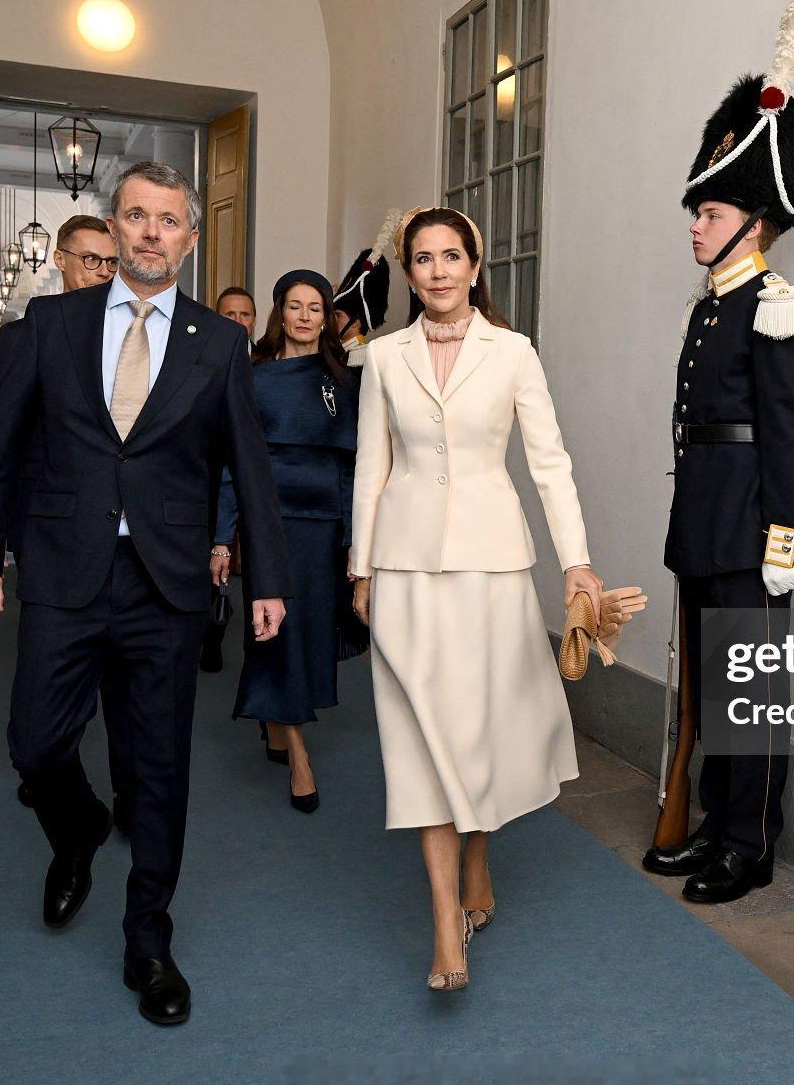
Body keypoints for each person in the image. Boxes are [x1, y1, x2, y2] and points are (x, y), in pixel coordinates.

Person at [0, 160, 290, 1028]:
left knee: (160, 767)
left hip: (166, 581)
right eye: (136, 216)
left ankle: (149, 941)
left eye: (168, 220)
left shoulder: (218, 344)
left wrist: (269, 579)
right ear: (114, 226)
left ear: (189, 238)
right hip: (65, 568)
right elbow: (1, 442)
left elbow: (249, 466)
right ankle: (74, 827)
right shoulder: (49, 324)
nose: (150, 232)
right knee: (34, 742)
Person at [348, 206, 604, 991]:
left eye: (451, 256)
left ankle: (479, 855)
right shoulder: (383, 357)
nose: (438, 271)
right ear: (409, 270)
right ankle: (444, 926)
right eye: (423, 258)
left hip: (493, 569)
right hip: (404, 568)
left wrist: (576, 564)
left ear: (474, 264)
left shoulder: (513, 352)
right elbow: (371, 466)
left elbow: (550, 464)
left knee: (482, 727)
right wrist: (361, 569)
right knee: (421, 735)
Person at [641, 0, 794, 904]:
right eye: (698, 213)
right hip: (704, 524)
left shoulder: (777, 308)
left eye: (709, 214)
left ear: (754, 224)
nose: (695, 225)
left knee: (749, 696)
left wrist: (784, 536)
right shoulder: (710, 308)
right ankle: (715, 824)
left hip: (752, 529)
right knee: (713, 692)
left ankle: (748, 845)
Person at [1, 214, 134, 832]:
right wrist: (8, 540)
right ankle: (64, 789)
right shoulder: (29, 332)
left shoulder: (138, 334)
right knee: (52, 694)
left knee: (126, 689)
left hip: (129, 542)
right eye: (90, 260)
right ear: (60, 260)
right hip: (54, 535)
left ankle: (131, 796)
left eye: (111, 263)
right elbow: (5, 444)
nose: (101, 273)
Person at [215, 270, 357, 812]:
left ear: (326, 318)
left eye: (314, 308)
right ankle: (299, 755)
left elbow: (354, 466)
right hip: (270, 522)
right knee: (279, 630)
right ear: (279, 313)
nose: (304, 316)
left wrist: (354, 538)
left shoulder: (343, 380)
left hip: (324, 526)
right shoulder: (252, 377)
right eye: (294, 306)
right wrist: (222, 538)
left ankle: (276, 719)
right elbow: (234, 464)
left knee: (310, 633)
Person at [201, 285, 257, 674]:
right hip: (208, 478)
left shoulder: (266, 363)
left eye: (245, 314)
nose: (237, 321)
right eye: (229, 314)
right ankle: (211, 629)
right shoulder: (201, 358)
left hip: (249, 477)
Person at [330, 211, 397, 367]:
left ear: (356, 323)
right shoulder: (337, 354)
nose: (331, 320)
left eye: (338, 316)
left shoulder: (363, 359)